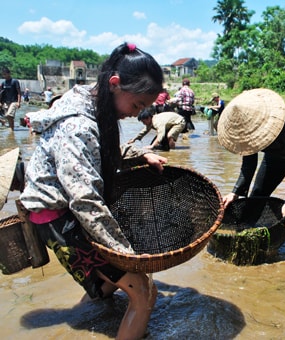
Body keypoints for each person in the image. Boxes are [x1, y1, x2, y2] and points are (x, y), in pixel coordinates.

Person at [19, 42, 167, 340]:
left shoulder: (91, 99)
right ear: (115, 84)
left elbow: (99, 153)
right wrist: (127, 255)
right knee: (144, 292)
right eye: (136, 105)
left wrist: (141, 156)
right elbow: (86, 201)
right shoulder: (78, 126)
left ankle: (85, 317)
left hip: (60, 213)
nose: (134, 113)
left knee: (108, 284)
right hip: (59, 218)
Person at [218, 88, 285, 248]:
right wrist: (236, 191)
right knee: (257, 196)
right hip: (275, 156)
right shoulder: (248, 130)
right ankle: (249, 240)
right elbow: (249, 164)